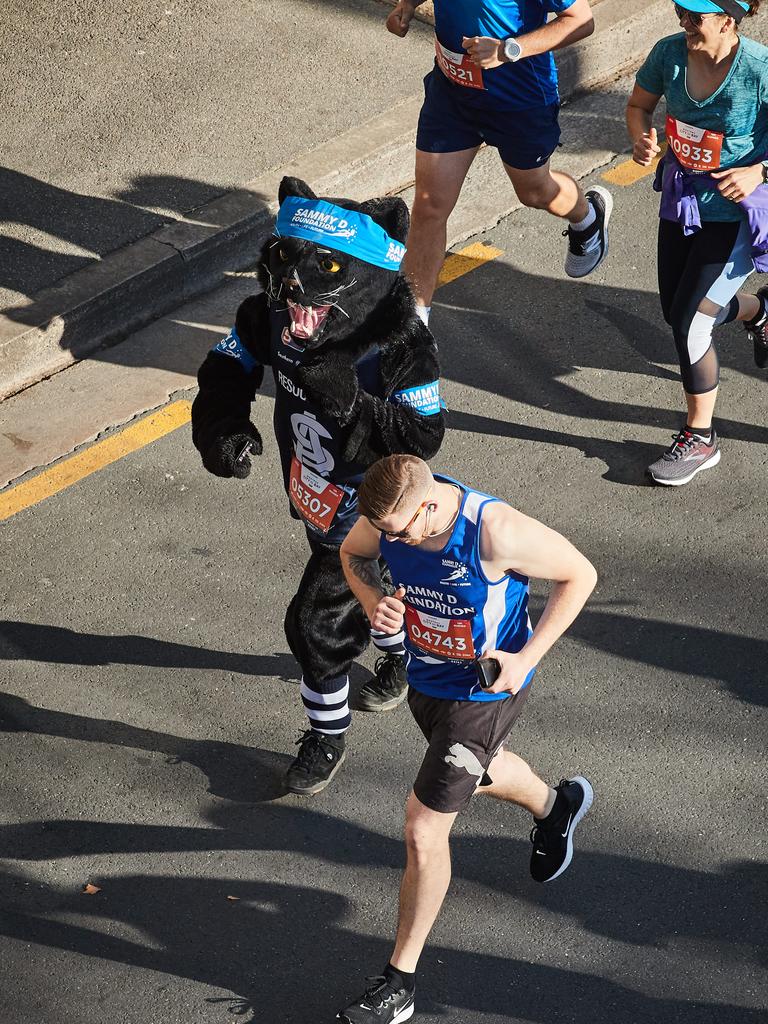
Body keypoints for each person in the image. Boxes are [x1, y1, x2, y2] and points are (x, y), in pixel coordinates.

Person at [335, 454, 596, 1023]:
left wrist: (525, 661)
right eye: (385, 532)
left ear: (429, 507)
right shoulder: (387, 520)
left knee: (423, 826)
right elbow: (352, 553)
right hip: (426, 678)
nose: (390, 541)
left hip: (484, 692)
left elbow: (581, 574)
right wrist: (374, 602)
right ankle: (556, 808)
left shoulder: (494, 531)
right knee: (479, 768)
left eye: (398, 532)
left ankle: (398, 984)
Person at [385, 0, 612, 327]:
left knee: (534, 192)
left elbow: (580, 20)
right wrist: (407, 6)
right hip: (452, 93)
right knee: (428, 207)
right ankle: (410, 332)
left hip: (519, 102)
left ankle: (588, 217)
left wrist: (509, 50)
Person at [628, 0, 768, 485]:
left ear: (729, 18)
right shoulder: (668, 54)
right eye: (680, 10)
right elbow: (639, 106)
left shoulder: (759, 70)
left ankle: (700, 437)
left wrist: (758, 170)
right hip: (683, 202)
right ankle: (756, 310)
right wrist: (641, 138)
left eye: (696, 15)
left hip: (734, 217)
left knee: (690, 324)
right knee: (676, 311)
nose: (684, 22)